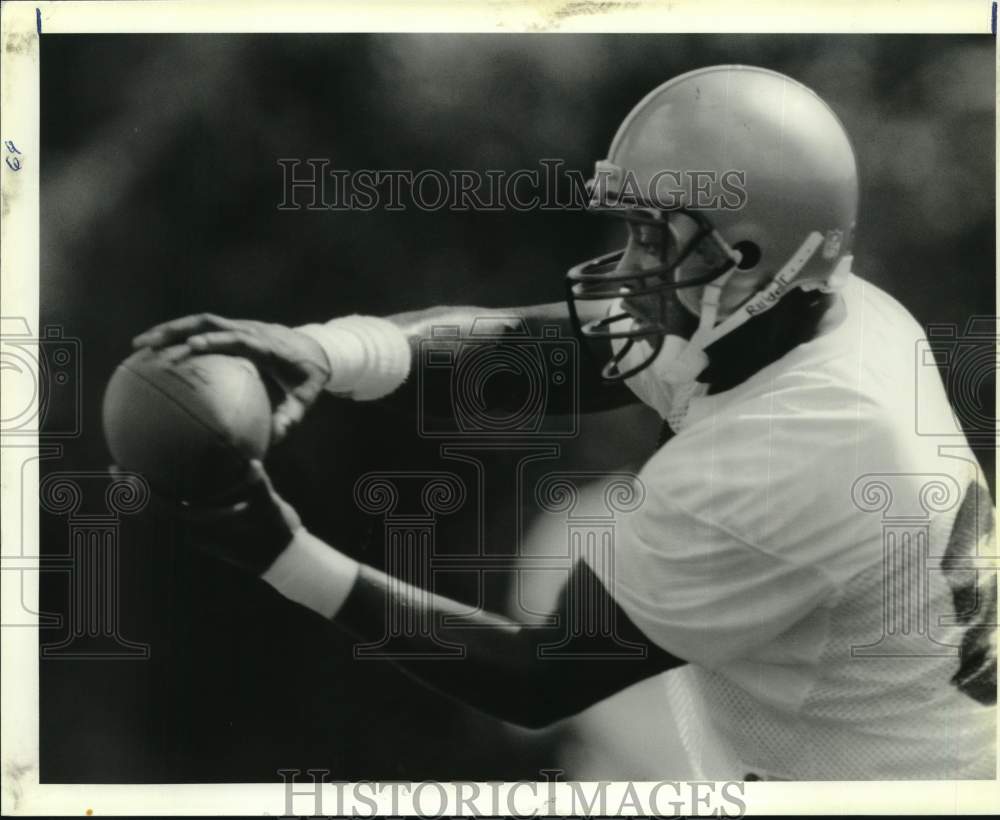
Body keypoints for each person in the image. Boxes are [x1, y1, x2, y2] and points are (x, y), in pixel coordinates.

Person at [130, 65, 996, 780]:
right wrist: (328, 351)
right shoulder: (816, 315)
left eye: (659, 241)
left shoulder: (791, 452)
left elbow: (539, 677)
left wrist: (277, 551)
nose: (630, 266)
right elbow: (545, 350)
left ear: (752, 261)